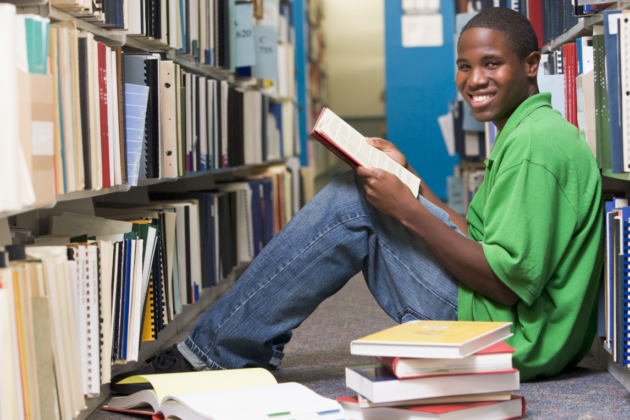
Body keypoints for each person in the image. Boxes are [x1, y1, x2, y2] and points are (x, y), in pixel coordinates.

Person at [112, 7, 603, 393]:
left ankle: (214, 353)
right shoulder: (527, 132)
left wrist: (406, 210)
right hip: (515, 327)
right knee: (365, 194)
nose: (475, 80)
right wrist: (409, 179)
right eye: (465, 66)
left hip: (512, 337)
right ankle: (225, 344)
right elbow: (477, 238)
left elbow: (503, 285)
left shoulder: (534, 147)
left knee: (351, 202)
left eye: (491, 64)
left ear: (532, 64)